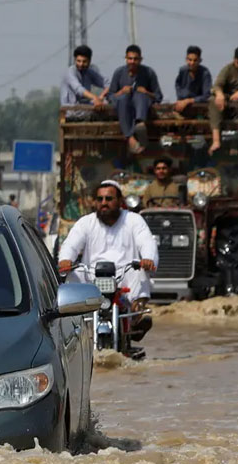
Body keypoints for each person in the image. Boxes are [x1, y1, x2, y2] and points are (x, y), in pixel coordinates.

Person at [58, 180, 158, 338]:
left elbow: (147, 241)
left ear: (119, 201)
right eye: (100, 199)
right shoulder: (86, 222)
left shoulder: (134, 220)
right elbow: (71, 245)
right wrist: (65, 260)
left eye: (109, 199)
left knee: (141, 272)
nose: (104, 203)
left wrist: (148, 259)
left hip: (124, 276)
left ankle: (135, 320)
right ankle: (73, 325)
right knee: (73, 273)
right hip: (93, 276)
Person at [108, 44, 163, 155]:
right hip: (124, 106)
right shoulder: (118, 73)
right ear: (126, 59)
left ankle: (139, 123)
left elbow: (158, 96)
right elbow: (110, 96)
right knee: (123, 99)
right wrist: (121, 91)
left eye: (135, 59)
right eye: (130, 59)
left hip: (141, 106)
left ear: (140, 59)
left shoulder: (148, 72)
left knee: (140, 95)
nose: (132, 61)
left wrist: (146, 92)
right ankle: (130, 137)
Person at [173, 45, 212, 114]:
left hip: (200, 106)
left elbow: (206, 95)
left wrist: (188, 101)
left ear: (200, 60)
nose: (192, 63)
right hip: (183, 104)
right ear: (186, 59)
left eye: (195, 60)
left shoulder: (205, 73)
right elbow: (178, 86)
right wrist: (181, 100)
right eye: (190, 60)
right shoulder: (182, 71)